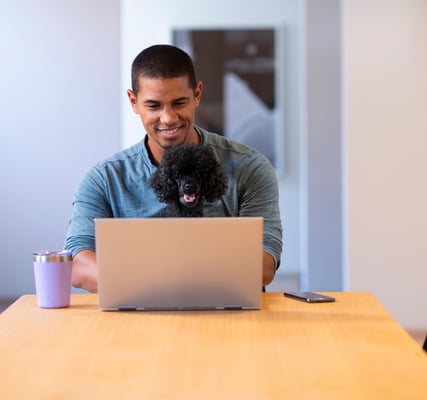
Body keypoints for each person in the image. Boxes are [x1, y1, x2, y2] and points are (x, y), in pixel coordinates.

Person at [64, 44, 282, 293]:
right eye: (154, 106)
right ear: (133, 102)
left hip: (228, 320)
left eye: (179, 103)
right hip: (136, 322)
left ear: (197, 94)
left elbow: (265, 264)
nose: (168, 118)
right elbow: (78, 263)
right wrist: (159, 286)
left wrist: (152, 277)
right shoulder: (104, 179)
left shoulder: (250, 168)